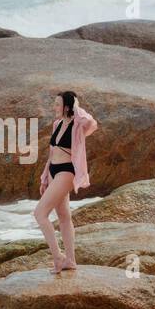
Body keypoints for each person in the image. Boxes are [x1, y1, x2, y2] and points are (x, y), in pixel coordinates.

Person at [35, 91, 99, 273]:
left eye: (57, 104)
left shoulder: (79, 125)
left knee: (40, 213)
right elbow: (52, 152)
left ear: (67, 106)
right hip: (54, 171)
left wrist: (76, 107)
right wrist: (45, 176)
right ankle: (70, 260)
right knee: (63, 216)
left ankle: (58, 258)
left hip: (67, 171)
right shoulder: (57, 124)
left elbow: (92, 123)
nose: (54, 107)